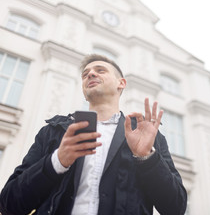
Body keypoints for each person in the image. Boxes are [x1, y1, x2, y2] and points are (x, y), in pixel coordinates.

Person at [0, 54, 187, 215]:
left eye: (100, 70)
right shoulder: (54, 132)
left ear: (121, 83)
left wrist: (147, 158)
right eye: (85, 74)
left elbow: (175, 208)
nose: (90, 74)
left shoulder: (146, 136)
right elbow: (10, 205)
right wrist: (57, 161)